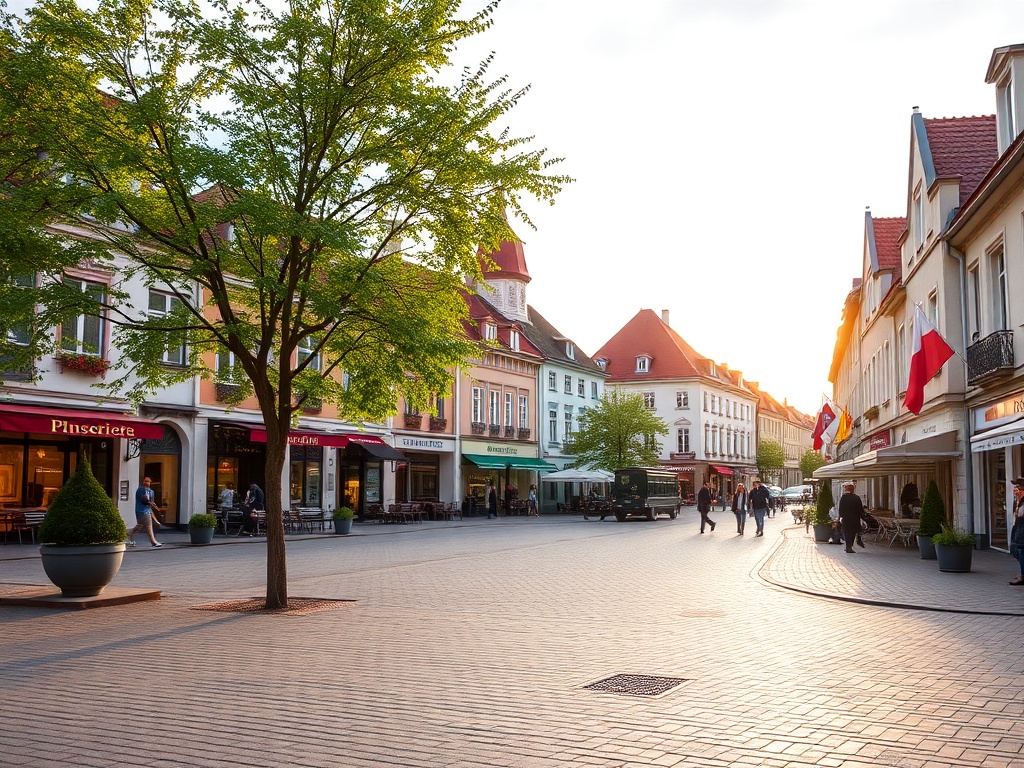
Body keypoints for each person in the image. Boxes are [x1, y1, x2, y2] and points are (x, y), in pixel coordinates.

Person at [129, 476, 163, 548]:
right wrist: (151, 504)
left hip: (147, 510)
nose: (146, 482)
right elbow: (144, 500)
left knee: (139, 525)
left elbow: (151, 502)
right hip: (141, 510)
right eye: (145, 481)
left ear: (150, 483)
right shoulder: (140, 490)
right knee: (149, 524)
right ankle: (153, 541)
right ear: (143, 482)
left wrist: (153, 509)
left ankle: (130, 535)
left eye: (148, 481)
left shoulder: (151, 492)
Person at [838, 481, 865, 553]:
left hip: (846, 518)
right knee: (853, 532)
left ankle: (848, 547)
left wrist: (840, 516)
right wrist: (862, 516)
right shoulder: (856, 498)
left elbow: (841, 508)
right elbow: (860, 509)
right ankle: (850, 547)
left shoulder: (843, 497)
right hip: (855, 518)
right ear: (853, 489)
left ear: (846, 489)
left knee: (846, 532)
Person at [1009, 478, 1024, 585]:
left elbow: (1020, 514)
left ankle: (1023, 576)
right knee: (1017, 550)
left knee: (1020, 551)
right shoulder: (1020, 500)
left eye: (1018, 487)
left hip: (1022, 529)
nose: (1016, 489)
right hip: (1019, 528)